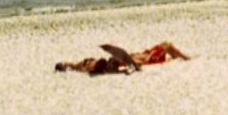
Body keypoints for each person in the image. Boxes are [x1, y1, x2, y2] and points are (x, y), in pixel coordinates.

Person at [55, 41, 191, 74]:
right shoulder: (143, 59)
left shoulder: (107, 63)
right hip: (148, 58)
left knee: (167, 45)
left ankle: (180, 57)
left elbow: (131, 63)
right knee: (168, 45)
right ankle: (186, 58)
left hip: (145, 56)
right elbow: (136, 65)